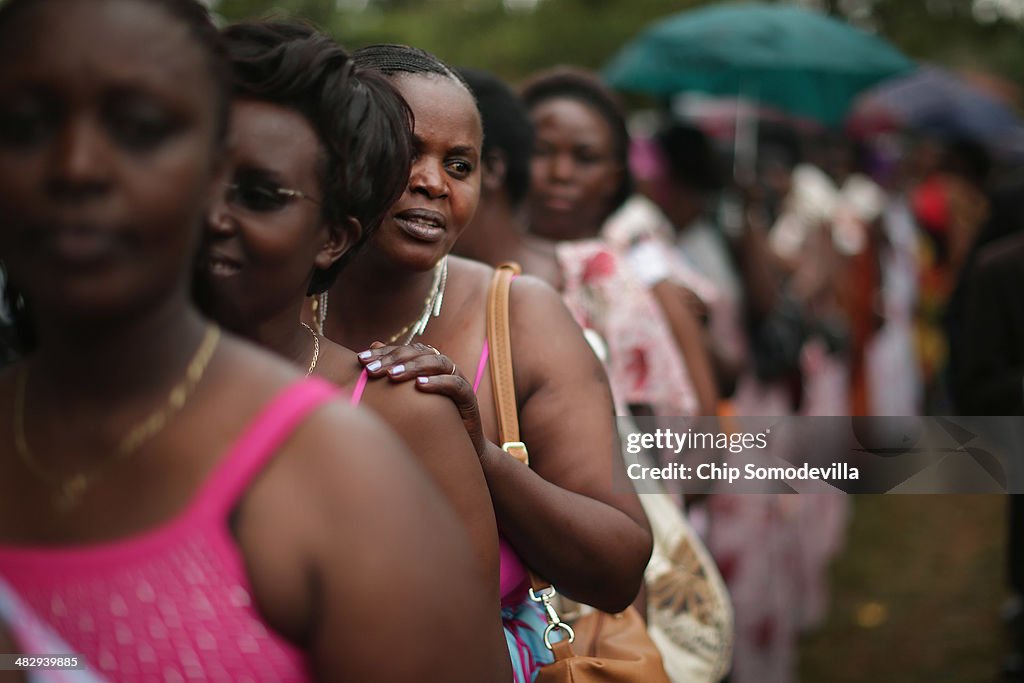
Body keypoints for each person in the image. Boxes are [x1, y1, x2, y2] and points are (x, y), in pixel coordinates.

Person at [0, 2, 501, 681]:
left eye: (139, 130)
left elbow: (632, 530)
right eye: (24, 125)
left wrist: (489, 456)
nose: (76, 166)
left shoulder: (355, 451)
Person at [320, 44, 653, 682]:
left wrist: (477, 454)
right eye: (406, 151)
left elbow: (618, 568)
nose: (433, 182)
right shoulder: (267, 305)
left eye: (459, 164)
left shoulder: (521, 316)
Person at [197, 22, 510, 680]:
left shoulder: (405, 410)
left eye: (260, 195)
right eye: (196, 180)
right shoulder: (58, 399)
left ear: (332, 236)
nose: (211, 217)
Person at [517, 66, 709, 420]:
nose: (561, 173)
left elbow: (702, 402)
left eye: (585, 158)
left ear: (614, 176)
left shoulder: (639, 255)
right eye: (541, 151)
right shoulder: (484, 257)